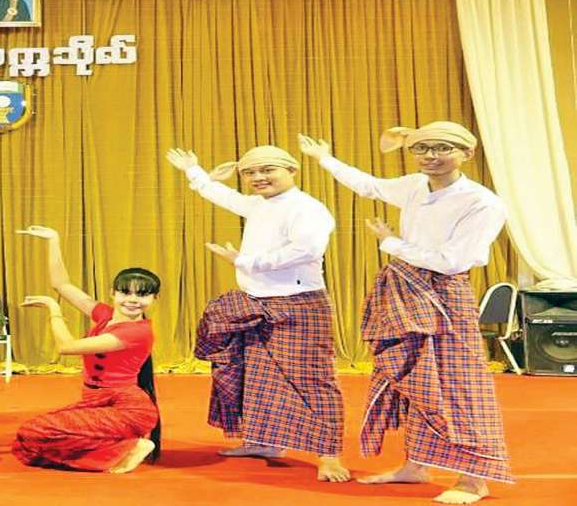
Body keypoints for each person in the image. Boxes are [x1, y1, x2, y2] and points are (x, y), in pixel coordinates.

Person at [299, 122, 513, 504]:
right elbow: (369, 185)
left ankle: (473, 480)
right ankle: (415, 466)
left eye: (443, 148)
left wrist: (391, 242)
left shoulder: (482, 202)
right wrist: (324, 158)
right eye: (422, 148)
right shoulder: (415, 185)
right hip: (404, 287)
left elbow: (453, 261)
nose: (431, 156)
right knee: (413, 381)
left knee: (459, 386)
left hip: (445, 296)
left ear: (467, 153)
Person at [166, 145, 350, 482]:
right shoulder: (258, 205)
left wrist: (244, 261)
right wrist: (194, 170)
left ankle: (330, 456)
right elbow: (223, 196)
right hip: (255, 301)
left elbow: (306, 250)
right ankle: (266, 442)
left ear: (292, 171)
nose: (258, 178)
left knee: (314, 379)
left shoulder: (308, 208)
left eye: (267, 170)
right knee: (258, 376)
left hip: (299, 304)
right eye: (250, 172)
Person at [13, 225, 160, 473]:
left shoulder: (138, 332)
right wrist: (53, 241)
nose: (133, 300)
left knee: (36, 430)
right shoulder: (105, 315)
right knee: (27, 443)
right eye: (125, 293)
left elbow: (66, 347)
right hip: (96, 401)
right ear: (113, 293)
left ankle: (130, 445)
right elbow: (61, 284)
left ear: (155, 298)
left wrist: (54, 309)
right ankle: (122, 445)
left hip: (126, 408)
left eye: (142, 295)